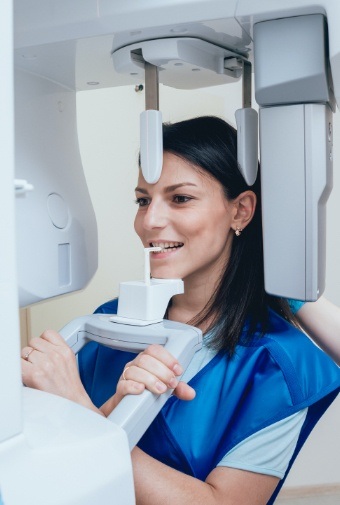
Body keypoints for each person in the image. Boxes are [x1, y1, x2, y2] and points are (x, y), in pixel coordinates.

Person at [21, 116, 339, 505]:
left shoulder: (279, 365)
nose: (149, 221)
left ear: (241, 211)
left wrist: (82, 412)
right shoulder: (105, 323)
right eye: (143, 200)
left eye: (180, 198)